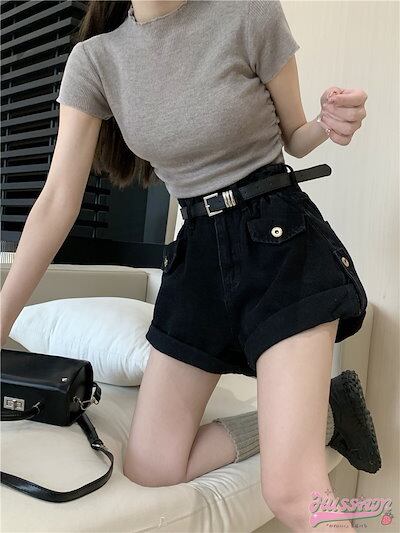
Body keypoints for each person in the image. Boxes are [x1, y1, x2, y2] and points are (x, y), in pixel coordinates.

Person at [0, 1, 380, 531]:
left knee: (294, 493)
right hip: (196, 254)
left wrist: (327, 122)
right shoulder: (95, 60)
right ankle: (328, 416)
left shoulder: (247, 13)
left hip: (279, 241)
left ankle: (309, 450)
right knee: (152, 468)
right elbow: (57, 200)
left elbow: (294, 138)